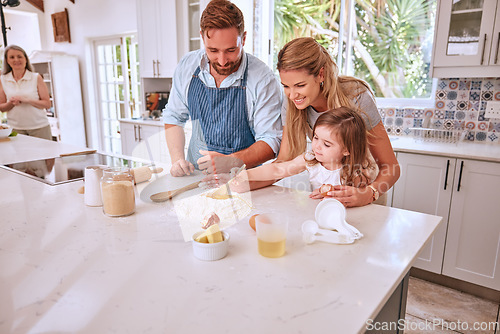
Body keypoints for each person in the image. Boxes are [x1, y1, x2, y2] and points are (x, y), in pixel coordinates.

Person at [251, 37, 400, 207]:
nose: (292, 95)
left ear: (320, 74)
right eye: (286, 86)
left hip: (365, 195)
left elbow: (391, 167)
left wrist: (367, 194)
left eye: (300, 85)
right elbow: (283, 164)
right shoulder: (293, 103)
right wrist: (241, 184)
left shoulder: (356, 97)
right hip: (328, 201)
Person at [163, 0, 283, 177]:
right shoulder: (187, 66)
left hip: (244, 182)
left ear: (243, 39)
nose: (222, 60)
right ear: (202, 37)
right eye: (213, 50)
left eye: (230, 50)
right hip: (196, 178)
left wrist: (231, 161)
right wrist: (178, 159)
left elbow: (272, 141)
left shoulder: (263, 79)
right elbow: (173, 116)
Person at [231, 107, 376, 198]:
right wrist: (245, 174)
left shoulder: (355, 172)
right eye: (316, 137)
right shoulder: (310, 159)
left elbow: (358, 199)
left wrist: (332, 194)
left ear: (346, 150)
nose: (317, 146)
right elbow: (277, 169)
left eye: (326, 144)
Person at [0, 45, 52, 140]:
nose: (16, 60)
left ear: (25, 59)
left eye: (19, 56)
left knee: (45, 155)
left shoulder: (36, 77)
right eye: (12, 57)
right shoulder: (3, 79)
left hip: (39, 128)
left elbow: (47, 104)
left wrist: (27, 100)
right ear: (7, 61)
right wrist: (11, 103)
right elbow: (2, 108)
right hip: (16, 129)